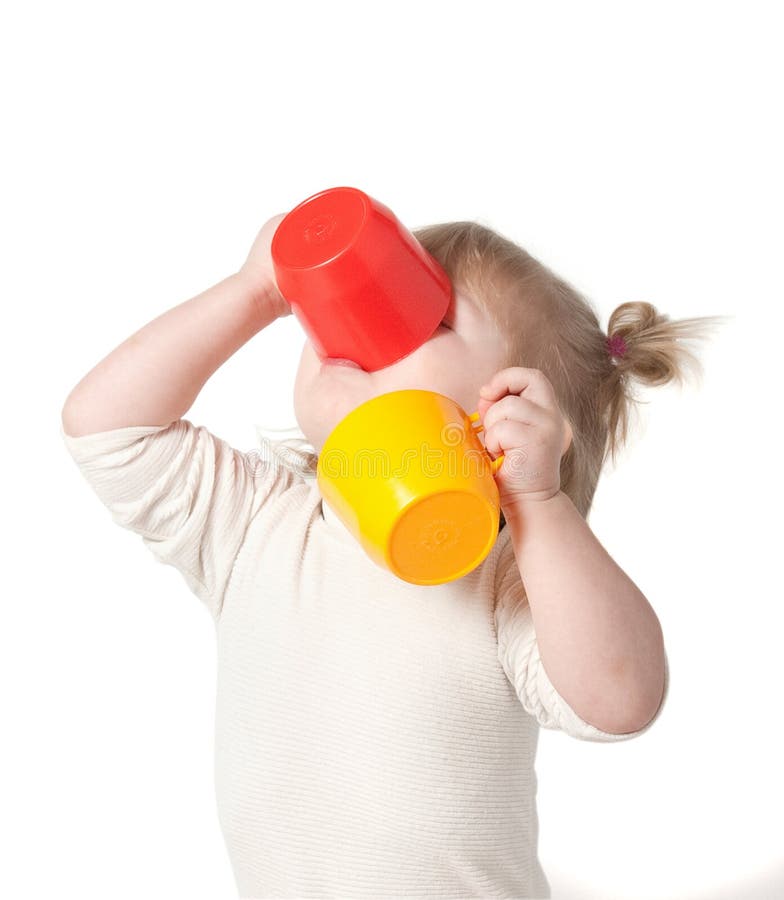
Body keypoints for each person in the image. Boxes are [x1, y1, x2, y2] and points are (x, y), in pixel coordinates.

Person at [61, 211, 721, 899]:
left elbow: (622, 700)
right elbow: (106, 429)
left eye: (425, 314)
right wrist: (254, 291)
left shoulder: (505, 579)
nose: (353, 321)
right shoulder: (258, 522)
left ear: (503, 410)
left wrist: (541, 507)